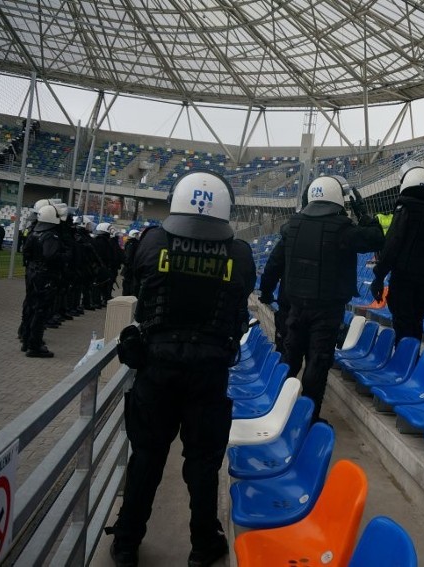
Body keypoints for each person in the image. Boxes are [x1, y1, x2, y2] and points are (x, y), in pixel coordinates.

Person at [107, 171, 255, 567]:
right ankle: (203, 544)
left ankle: (125, 542)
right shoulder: (239, 252)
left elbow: (134, 290)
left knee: (147, 458)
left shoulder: (153, 240)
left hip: (157, 368)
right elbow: (240, 302)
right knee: (203, 465)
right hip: (209, 373)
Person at [268, 176, 384, 421]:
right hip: (327, 310)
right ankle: (308, 418)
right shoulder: (343, 228)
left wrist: (268, 292)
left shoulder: (292, 226)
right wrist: (362, 211)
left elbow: (275, 263)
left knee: (290, 358)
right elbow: (376, 238)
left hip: (296, 306)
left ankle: (280, 410)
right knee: (317, 364)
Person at [371, 164, 424, 343]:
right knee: (416, 322)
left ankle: (403, 362)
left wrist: (379, 277)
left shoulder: (405, 209)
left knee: (403, 322)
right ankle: (411, 360)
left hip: (404, 280)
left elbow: (392, 245)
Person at [21, 204, 65, 357]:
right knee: (41, 310)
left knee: (31, 306)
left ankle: (27, 340)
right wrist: (64, 257)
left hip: (33, 273)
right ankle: (35, 345)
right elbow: (51, 256)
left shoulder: (34, 233)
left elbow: (26, 252)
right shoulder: (50, 235)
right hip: (45, 276)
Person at [121, 229, 141, 296]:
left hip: (131, 267)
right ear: (134, 235)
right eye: (137, 234)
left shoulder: (131, 243)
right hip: (130, 267)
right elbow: (128, 256)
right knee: (128, 283)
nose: (138, 235)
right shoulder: (132, 243)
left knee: (130, 283)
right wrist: (129, 265)